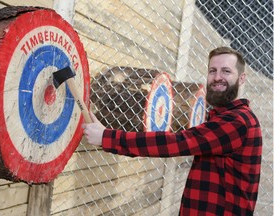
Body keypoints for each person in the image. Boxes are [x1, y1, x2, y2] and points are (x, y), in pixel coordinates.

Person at [82, 47, 262, 215]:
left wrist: (107, 137)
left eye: (226, 71)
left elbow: (177, 143)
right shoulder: (226, 117)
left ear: (242, 78)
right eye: (212, 71)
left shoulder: (237, 121)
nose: (217, 77)